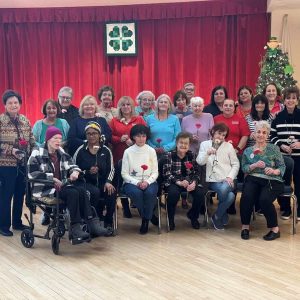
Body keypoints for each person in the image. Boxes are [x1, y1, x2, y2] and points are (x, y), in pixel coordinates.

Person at [28, 126, 110, 243]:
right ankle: (75, 227)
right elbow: (32, 173)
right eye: (55, 138)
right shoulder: (37, 152)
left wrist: (75, 171)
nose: (58, 141)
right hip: (45, 189)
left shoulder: (61, 151)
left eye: (60, 139)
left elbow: (72, 165)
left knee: (81, 190)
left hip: (61, 186)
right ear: (48, 139)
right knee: (72, 192)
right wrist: (52, 178)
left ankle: (92, 223)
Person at [240, 121, 285, 240]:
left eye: (264, 132)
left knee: (264, 200)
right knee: (247, 197)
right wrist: (254, 165)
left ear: (268, 135)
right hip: (253, 178)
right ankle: (245, 227)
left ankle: (275, 229)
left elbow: (282, 166)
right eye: (258, 132)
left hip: (272, 179)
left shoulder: (274, 148)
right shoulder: (248, 151)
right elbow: (244, 168)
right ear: (254, 134)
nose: (261, 135)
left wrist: (274, 171)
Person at [0, 90, 35, 236]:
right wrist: (11, 150)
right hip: (5, 166)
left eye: (16, 102)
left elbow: (31, 139)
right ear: (5, 105)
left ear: (19, 104)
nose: (13, 105)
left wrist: (34, 150)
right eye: (10, 103)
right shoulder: (1, 121)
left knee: (20, 194)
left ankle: (17, 222)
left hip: (22, 164)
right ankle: (3, 225)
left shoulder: (25, 120)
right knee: (6, 195)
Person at [196, 123, 240, 230]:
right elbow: (200, 162)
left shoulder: (229, 146)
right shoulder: (205, 144)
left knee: (225, 188)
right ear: (213, 132)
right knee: (230, 196)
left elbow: (235, 164)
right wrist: (207, 153)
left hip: (227, 178)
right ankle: (222, 214)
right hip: (212, 180)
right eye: (219, 133)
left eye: (223, 135)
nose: (220, 137)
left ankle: (217, 215)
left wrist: (230, 177)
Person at [74, 122, 116, 229]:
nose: (91, 136)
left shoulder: (106, 150)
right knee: (94, 192)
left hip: (103, 181)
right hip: (86, 182)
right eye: (89, 134)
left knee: (111, 192)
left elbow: (111, 169)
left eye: (94, 133)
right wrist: (87, 172)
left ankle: (108, 221)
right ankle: (93, 221)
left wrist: (108, 182)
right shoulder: (80, 150)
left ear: (99, 135)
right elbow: (73, 169)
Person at [110, 96, 146, 218]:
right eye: (123, 105)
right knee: (122, 180)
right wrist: (119, 139)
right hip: (119, 155)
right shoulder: (114, 121)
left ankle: (138, 204)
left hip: (137, 156)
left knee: (136, 177)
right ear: (119, 107)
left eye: (128, 104)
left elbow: (146, 134)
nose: (126, 107)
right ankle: (125, 207)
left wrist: (135, 141)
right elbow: (110, 137)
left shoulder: (139, 119)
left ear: (132, 107)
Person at [162, 132, 205, 230]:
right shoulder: (169, 155)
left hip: (189, 181)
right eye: (181, 142)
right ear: (176, 143)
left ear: (189, 145)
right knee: (173, 194)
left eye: (186, 143)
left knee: (200, 193)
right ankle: (170, 219)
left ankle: (193, 216)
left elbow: (196, 172)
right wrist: (179, 182)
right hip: (174, 182)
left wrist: (194, 182)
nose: (183, 145)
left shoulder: (192, 155)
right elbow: (167, 174)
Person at [121, 125, 159, 234]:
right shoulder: (128, 152)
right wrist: (137, 182)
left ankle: (145, 220)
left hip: (149, 181)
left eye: (143, 136)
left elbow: (155, 172)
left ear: (147, 137)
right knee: (137, 194)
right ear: (133, 137)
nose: (141, 139)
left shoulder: (151, 151)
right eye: (138, 136)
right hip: (131, 182)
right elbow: (124, 174)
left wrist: (147, 182)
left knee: (150, 193)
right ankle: (149, 216)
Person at [270, 86, 300, 220]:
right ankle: (285, 208)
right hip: (283, 157)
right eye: (288, 98)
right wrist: (281, 145)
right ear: (284, 100)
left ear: (297, 100)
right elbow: (272, 136)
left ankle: (299, 211)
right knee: (283, 182)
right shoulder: (278, 117)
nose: (290, 100)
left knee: (299, 183)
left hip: (299, 157)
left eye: (294, 98)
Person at [146, 94, 181, 159]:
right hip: (152, 152)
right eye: (161, 102)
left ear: (169, 105)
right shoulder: (149, 118)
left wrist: (165, 148)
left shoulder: (175, 119)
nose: (163, 104)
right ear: (157, 104)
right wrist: (153, 148)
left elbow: (177, 137)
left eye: (165, 102)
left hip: (170, 153)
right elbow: (146, 136)